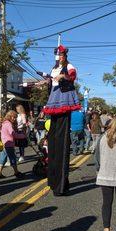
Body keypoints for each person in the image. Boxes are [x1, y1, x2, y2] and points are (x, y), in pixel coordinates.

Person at [43, 45, 81, 196]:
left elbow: (72, 76)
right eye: (57, 54)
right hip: (54, 100)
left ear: (65, 55)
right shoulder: (53, 69)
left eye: (61, 54)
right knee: (53, 142)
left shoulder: (69, 66)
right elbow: (52, 83)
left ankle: (61, 184)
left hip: (63, 101)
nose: (59, 57)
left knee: (62, 143)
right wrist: (45, 83)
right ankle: (54, 181)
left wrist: (63, 76)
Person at [0, 110, 24, 179]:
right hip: (9, 144)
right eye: (14, 117)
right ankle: (16, 172)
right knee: (13, 158)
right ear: (10, 116)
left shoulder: (3, 123)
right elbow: (13, 134)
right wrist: (22, 136)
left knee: (2, 159)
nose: (14, 119)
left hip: (4, 144)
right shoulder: (8, 124)